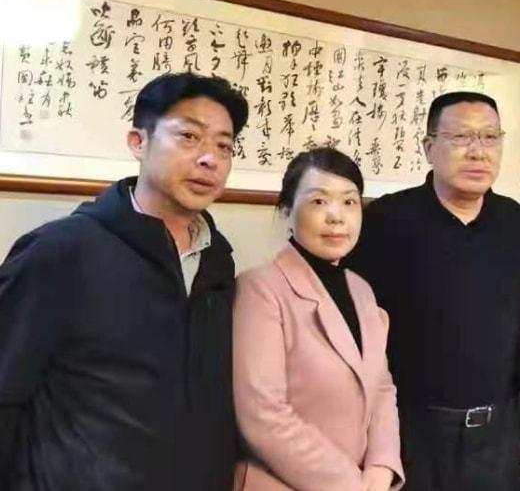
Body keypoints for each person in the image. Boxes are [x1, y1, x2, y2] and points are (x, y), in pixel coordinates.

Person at [0, 72, 248, 491]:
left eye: (224, 146)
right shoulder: (61, 251)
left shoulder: (218, 262)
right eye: (189, 137)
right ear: (138, 142)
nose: (210, 159)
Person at [348, 91, 520, 490]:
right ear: (429, 147)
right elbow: (356, 331)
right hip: (411, 432)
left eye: (490, 137)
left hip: (501, 434)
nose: (478, 151)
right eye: (461, 137)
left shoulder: (514, 221)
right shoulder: (385, 221)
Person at [233, 147, 404, 491]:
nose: (336, 216)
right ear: (286, 212)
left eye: (349, 201)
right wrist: (351, 484)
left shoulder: (360, 289)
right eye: (319, 201)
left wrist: (382, 465)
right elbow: (262, 415)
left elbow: (381, 388)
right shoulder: (260, 289)